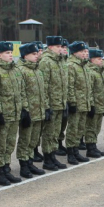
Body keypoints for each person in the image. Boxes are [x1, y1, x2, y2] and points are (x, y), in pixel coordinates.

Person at [0, 41, 30, 186]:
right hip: (4, 115)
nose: (10, 55)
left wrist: (24, 109)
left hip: (15, 114)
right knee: (0, 145)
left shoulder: (15, 70)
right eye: (7, 53)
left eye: (10, 53)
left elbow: (22, 92)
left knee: (9, 144)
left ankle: (6, 169)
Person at [16, 42, 50, 178]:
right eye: (34, 54)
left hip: (39, 111)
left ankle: (30, 162)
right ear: (25, 55)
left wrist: (46, 107)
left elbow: (43, 91)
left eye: (37, 53)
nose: (37, 56)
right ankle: (24, 166)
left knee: (33, 140)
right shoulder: (21, 70)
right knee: (25, 140)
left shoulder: (37, 70)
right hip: (29, 112)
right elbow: (21, 92)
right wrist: (25, 111)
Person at [38, 36, 68, 172]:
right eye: (58, 47)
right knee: (49, 133)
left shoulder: (60, 61)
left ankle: (53, 155)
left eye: (61, 47)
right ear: (50, 47)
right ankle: (47, 158)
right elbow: (44, 86)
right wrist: (46, 106)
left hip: (60, 103)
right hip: (51, 104)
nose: (61, 49)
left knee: (55, 132)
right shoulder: (46, 61)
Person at [64, 41, 92, 165]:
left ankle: (76, 151)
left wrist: (89, 102)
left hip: (84, 103)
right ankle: (71, 153)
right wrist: (72, 103)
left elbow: (87, 87)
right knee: (73, 129)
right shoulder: (71, 65)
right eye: (82, 52)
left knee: (80, 129)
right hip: (76, 103)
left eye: (85, 51)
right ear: (75, 53)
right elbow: (69, 86)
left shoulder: (84, 66)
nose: (85, 54)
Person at [84, 47, 104, 157]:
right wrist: (91, 105)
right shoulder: (91, 73)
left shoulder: (101, 72)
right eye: (98, 59)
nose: (101, 60)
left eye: (101, 58)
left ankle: (93, 146)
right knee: (91, 127)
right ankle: (90, 148)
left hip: (101, 105)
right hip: (94, 105)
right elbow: (89, 90)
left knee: (97, 127)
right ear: (92, 60)